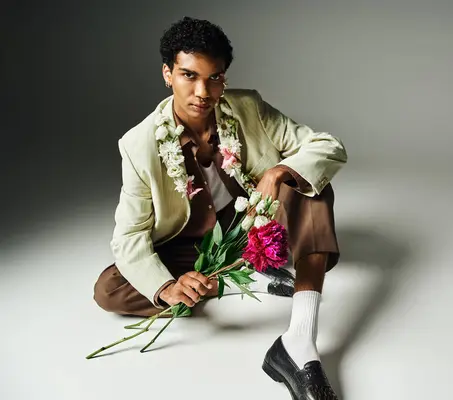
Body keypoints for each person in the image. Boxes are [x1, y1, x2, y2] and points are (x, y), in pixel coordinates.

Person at [93, 17, 347, 399]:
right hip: (191, 244)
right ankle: (246, 273)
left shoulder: (248, 107)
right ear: (167, 74)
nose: (202, 92)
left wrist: (279, 171)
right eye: (188, 75)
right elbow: (129, 236)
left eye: (215, 78)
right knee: (109, 289)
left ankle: (299, 340)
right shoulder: (138, 144)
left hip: (250, 222)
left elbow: (328, 146)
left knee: (311, 190)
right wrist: (166, 287)